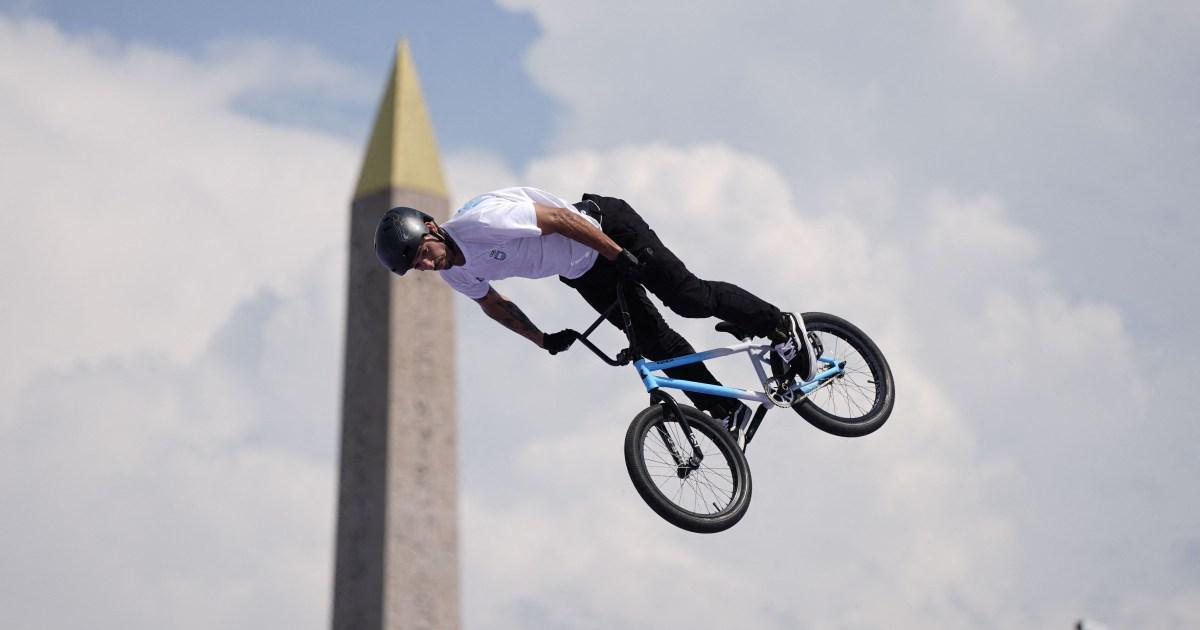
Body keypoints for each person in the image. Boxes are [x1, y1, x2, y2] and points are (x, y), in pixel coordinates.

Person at [373, 186, 816, 429]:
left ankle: (781, 328)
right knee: (653, 343)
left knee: (689, 299)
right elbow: (494, 305)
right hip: (583, 271)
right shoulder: (455, 272)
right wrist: (542, 339)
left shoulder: (481, 222)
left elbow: (561, 219)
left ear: (431, 228)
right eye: (417, 267)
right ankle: (726, 411)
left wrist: (617, 253)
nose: (427, 265)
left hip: (605, 228)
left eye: (423, 253)